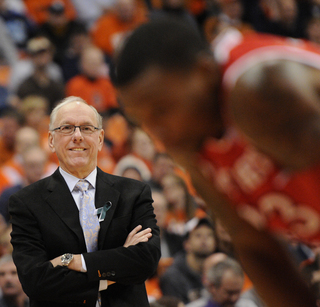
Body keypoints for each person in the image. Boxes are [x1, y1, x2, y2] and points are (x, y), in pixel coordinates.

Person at [115, 18, 320, 307]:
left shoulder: (259, 90)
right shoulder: (193, 144)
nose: (157, 132)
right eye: (144, 121)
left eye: (161, 110)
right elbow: (256, 247)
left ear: (205, 72)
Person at [9, 96, 161, 307]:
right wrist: (112, 272)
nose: (77, 136)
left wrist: (73, 261)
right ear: (51, 140)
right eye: (67, 128)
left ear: (100, 139)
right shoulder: (26, 202)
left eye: (87, 128)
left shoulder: (134, 192)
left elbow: (146, 259)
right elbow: (36, 280)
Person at [160, 217, 216, 304]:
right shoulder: (173, 277)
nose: (205, 239)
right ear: (187, 244)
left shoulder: (218, 270)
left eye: (209, 235)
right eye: (198, 235)